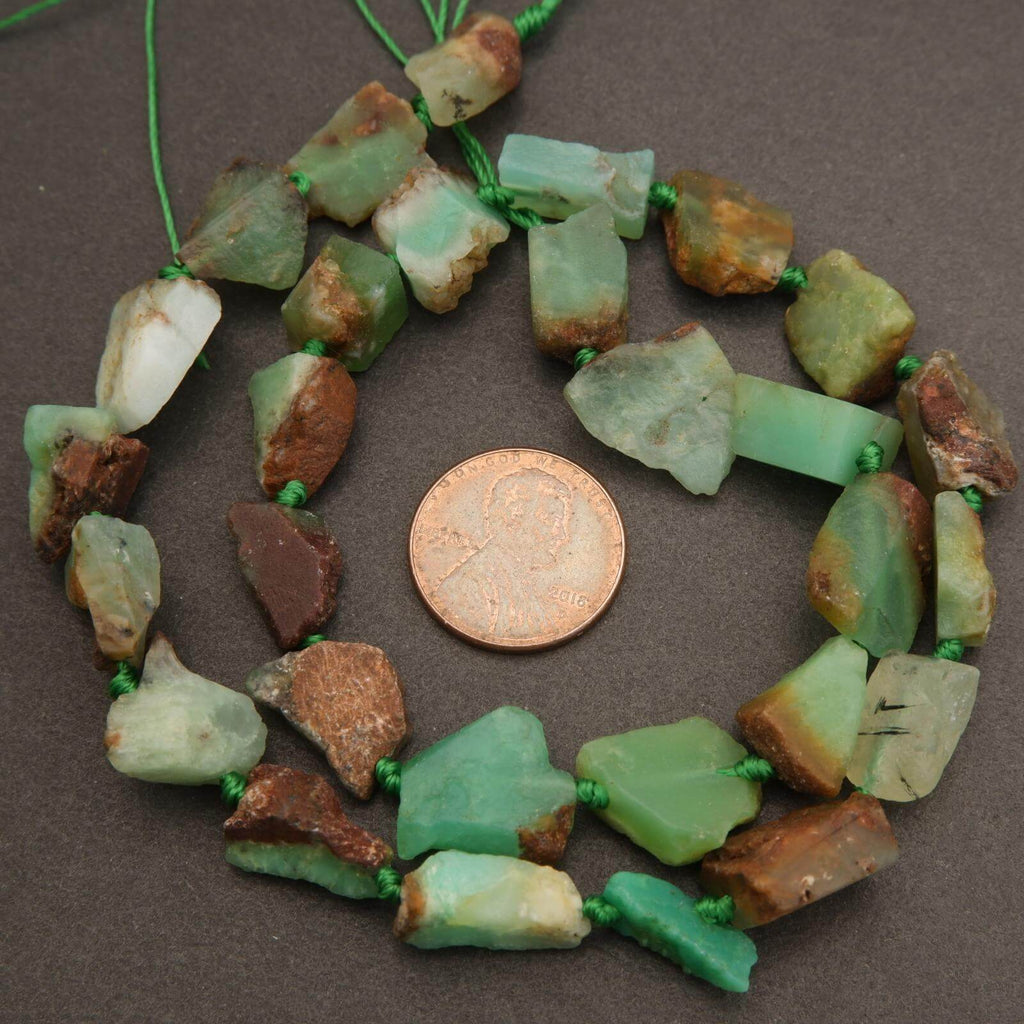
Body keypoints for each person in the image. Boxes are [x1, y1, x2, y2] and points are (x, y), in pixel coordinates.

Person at [434, 467, 573, 638]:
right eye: (551, 520)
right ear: (513, 519)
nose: (561, 534)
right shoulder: (468, 586)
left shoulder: (518, 579)